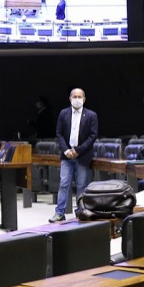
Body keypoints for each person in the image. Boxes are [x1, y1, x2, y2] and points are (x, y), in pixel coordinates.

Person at [49, 88, 98, 222]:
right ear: (70, 99)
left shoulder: (91, 115)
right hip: (66, 155)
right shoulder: (63, 113)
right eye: (74, 97)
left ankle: (80, 211)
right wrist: (66, 150)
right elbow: (59, 133)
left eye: (79, 97)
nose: (77, 99)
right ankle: (59, 212)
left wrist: (78, 150)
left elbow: (93, 135)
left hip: (82, 155)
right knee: (64, 183)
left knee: (82, 185)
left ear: (84, 99)